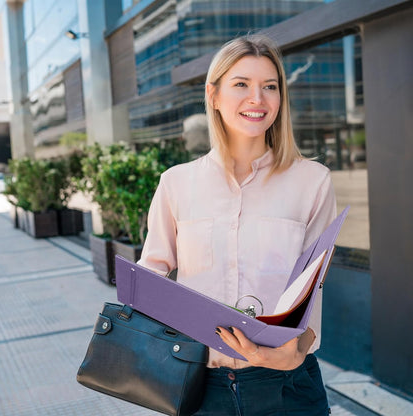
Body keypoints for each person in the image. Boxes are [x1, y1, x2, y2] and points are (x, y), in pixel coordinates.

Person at [138, 34, 336, 416]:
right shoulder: (176, 182)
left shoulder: (313, 181)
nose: (257, 99)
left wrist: (296, 352)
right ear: (213, 95)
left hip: (288, 385)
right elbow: (152, 274)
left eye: (270, 87)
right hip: (199, 384)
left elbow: (315, 285)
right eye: (241, 84)